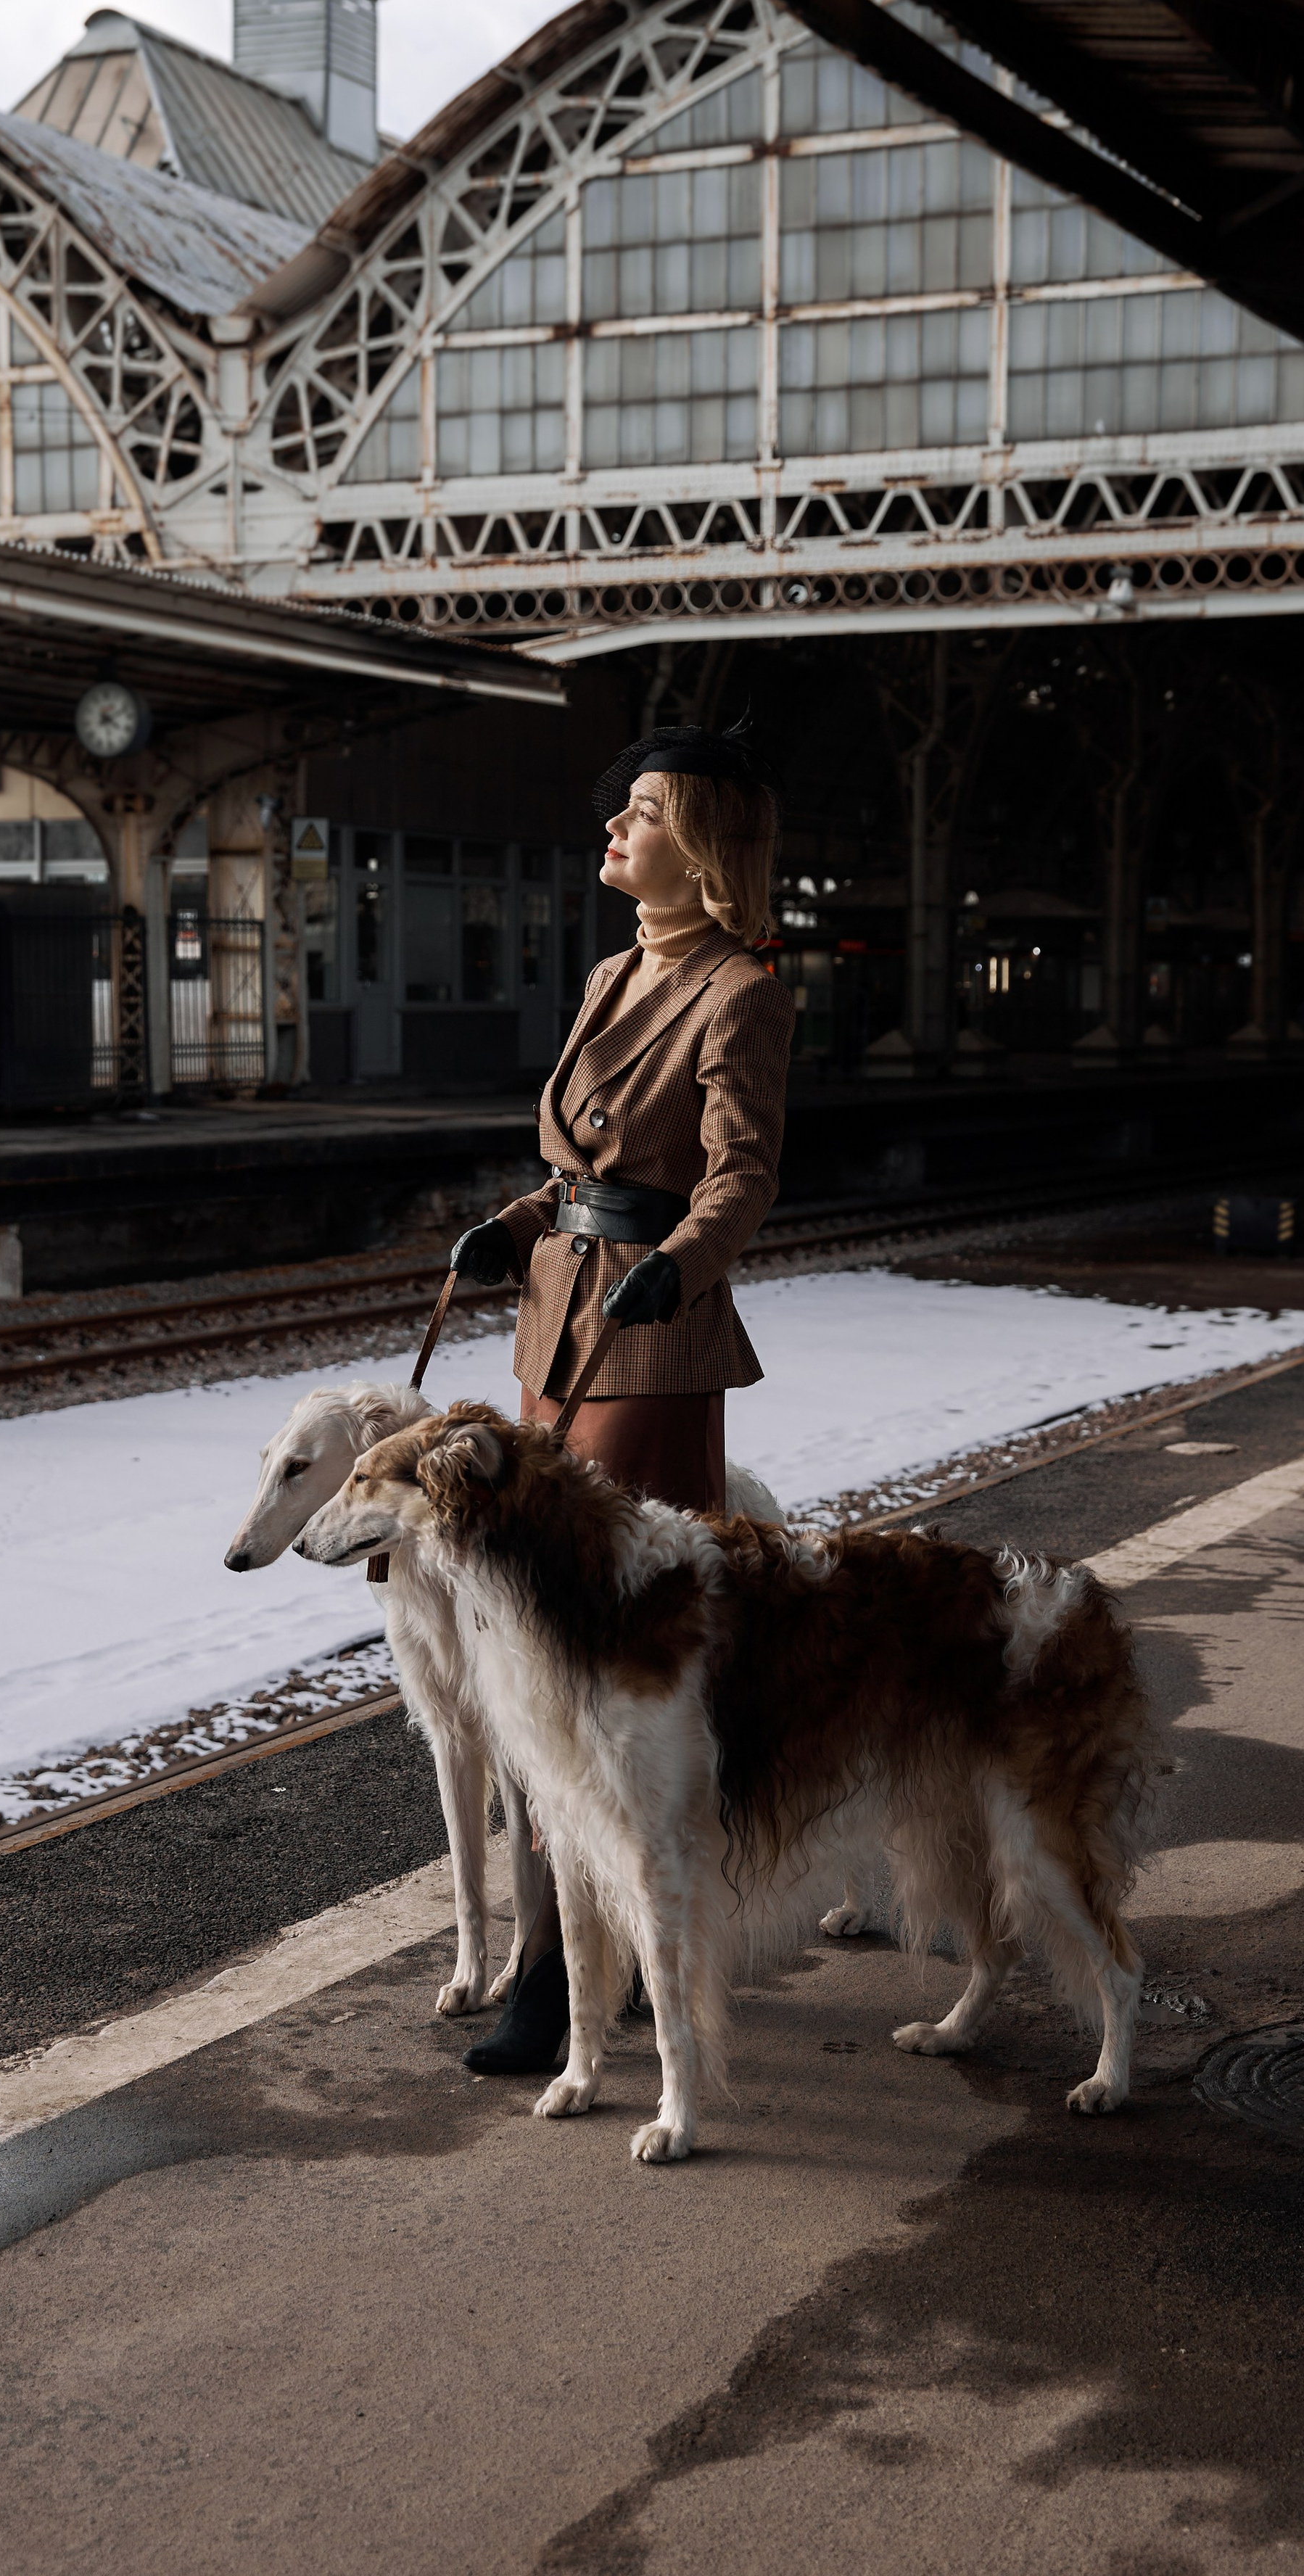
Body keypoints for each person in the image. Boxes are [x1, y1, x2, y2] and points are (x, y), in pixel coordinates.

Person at [446, 724, 793, 2074]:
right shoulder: (609, 973)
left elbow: (740, 1176)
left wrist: (683, 1269)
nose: (613, 827)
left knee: (609, 1666)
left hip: (649, 1348)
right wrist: (515, 1224)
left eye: (641, 811)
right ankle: (562, 1956)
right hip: (554, 1329)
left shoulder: (741, 992)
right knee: (529, 1653)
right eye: (620, 809)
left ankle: (584, 1968)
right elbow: (581, 1169)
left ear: (699, 847)